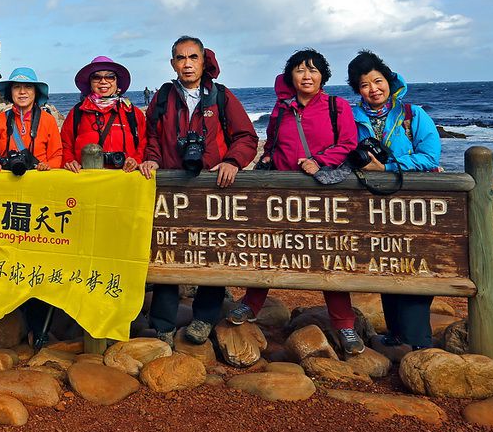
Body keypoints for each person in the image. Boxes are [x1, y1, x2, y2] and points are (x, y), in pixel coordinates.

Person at [228, 49, 363, 354]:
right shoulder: (281, 109)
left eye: (313, 70)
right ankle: (251, 304)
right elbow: (272, 143)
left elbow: (348, 144)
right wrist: (268, 158)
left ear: (323, 76)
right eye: (300, 70)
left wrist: (319, 161)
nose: (307, 76)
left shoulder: (336, 106)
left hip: (321, 193)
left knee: (328, 253)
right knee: (269, 247)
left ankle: (344, 324)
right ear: (291, 76)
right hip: (283, 193)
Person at [139, 37, 259, 344]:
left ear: (204, 61)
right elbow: (151, 136)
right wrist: (152, 159)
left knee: (212, 251)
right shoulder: (163, 97)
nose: (187, 64)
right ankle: (163, 326)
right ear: (173, 64)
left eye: (193, 57)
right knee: (167, 251)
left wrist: (232, 160)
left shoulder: (220, 96)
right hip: (172, 191)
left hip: (212, 189)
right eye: (181, 58)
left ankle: (204, 319)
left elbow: (246, 136)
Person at [347, 49, 442, 350]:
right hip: (373, 204)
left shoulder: (413, 115)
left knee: (415, 263)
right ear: (357, 89)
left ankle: (419, 341)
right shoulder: (351, 118)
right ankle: (396, 333)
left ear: (389, 81)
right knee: (385, 261)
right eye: (364, 85)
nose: (373, 89)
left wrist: (387, 167)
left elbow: (430, 157)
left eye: (378, 81)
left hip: (414, 205)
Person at [0, 66, 63, 347]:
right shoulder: (0, 121)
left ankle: (38, 323)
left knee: (38, 256)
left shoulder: (47, 121)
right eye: (17, 87)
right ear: (10, 92)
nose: (22, 92)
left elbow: (57, 155)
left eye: (27, 87)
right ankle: (10, 313)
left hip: (40, 198)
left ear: (35, 92)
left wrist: (47, 166)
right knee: (10, 254)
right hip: (9, 199)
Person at [61, 56, 146, 172]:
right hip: (87, 179)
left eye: (110, 77)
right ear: (90, 83)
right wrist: (70, 161)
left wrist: (136, 160)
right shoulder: (77, 112)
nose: (103, 81)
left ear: (117, 82)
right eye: (96, 77)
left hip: (125, 177)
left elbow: (144, 143)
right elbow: (65, 144)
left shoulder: (132, 112)